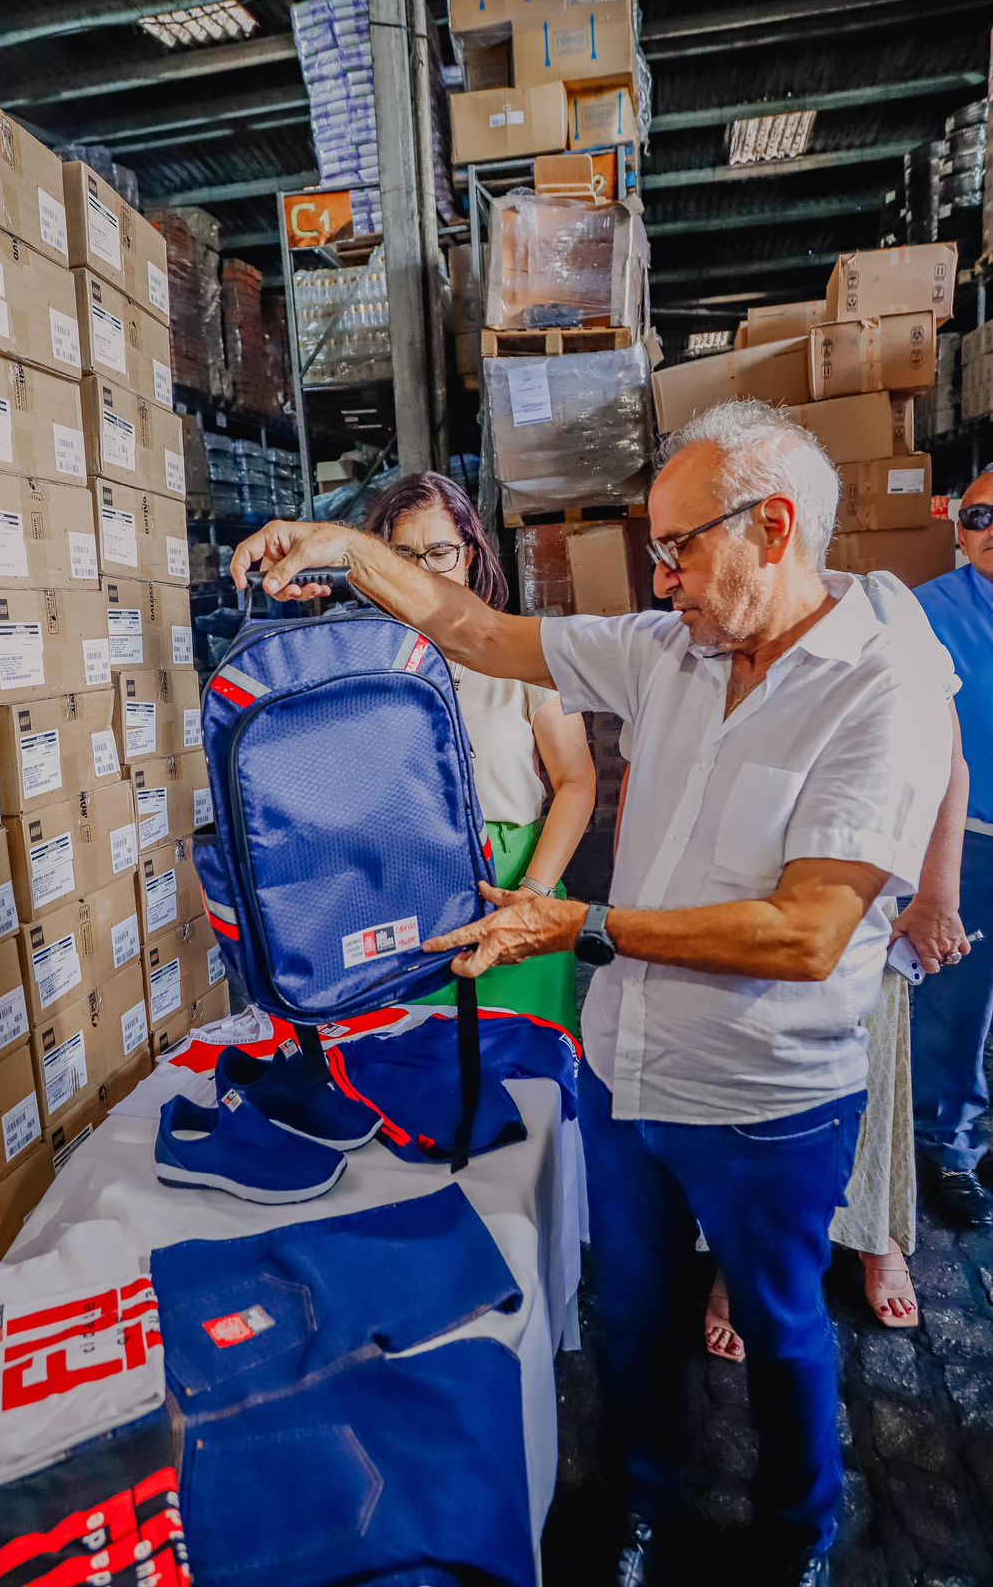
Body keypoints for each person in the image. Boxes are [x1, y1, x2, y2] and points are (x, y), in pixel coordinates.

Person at [233, 399, 951, 1586]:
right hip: (629, 1071)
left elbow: (809, 928)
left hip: (767, 1091)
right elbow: (475, 631)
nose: (660, 576)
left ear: (772, 528)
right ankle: (640, 1509)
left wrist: (588, 923)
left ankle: (796, 1536)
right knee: (633, 1324)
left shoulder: (879, 689)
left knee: (779, 1331)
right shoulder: (668, 651)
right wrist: (346, 548)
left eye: (679, 548)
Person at [693, 574, 969, 1353]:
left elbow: (947, 759)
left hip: (862, 906)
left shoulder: (882, 603)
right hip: (746, 906)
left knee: (870, 1076)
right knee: (744, 1083)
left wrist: (935, 898)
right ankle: (733, 1259)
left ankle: (877, 1237)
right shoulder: (714, 608)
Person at [362, 472, 595, 1036]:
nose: (423, 572)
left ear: (470, 553)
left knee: (528, 1078)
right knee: (409, 1070)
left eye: (440, 551)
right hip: (402, 894)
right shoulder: (364, 665)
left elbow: (575, 781)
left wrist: (533, 898)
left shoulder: (521, 654)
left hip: (510, 881)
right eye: (403, 555)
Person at [910, 466, 993, 1228]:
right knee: (954, 1003)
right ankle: (947, 1142)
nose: (991, 529)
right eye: (979, 515)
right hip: (973, 840)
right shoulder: (928, 614)